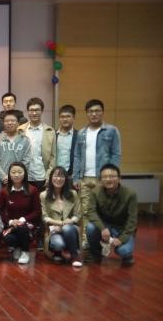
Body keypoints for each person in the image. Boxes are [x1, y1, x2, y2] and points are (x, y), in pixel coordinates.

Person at [73, 99, 121, 245]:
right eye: (91, 111)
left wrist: (112, 177)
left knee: (104, 211)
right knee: (85, 211)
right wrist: (76, 177)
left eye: (97, 111)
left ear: (102, 112)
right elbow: (77, 156)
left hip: (103, 179)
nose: (94, 114)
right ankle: (86, 240)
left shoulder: (111, 131)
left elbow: (116, 154)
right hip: (85, 178)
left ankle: (104, 241)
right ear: (87, 113)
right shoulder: (82, 133)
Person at [85, 164, 136, 267]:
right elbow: (91, 212)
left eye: (112, 176)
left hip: (121, 229)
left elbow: (132, 220)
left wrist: (121, 239)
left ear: (119, 178)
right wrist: (102, 228)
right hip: (104, 227)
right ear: (100, 180)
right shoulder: (95, 192)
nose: (108, 179)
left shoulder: (130, 194)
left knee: (124, 251)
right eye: (105, 177)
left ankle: (127, 255)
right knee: (90, 227)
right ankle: (96, 254)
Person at [0, 162, 41, 265]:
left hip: (28, 224)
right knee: (8, 238)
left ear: (25, 173)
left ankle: (25, 252)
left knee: (22, 227)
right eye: (13, 172)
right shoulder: (4, 191)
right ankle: (18, 247)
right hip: (12, 225)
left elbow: (37, 211)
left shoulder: (33, 190)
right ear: (9, 174)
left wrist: (23, 219)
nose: (16, 175)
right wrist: (10, 221)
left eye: (19, 172)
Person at [40, 166, 83, 268]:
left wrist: (68, 223)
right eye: (56, 176)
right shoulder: (43, 195)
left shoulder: (73, 194)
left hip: (70, 228)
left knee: (67, 228)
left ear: (66, 179)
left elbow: (77, 214)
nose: (58, 179)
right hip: (54, 229)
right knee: (58, 244)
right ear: (51, 178)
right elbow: (44, 217)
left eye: (62, 176)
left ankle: (74, 255)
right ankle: (57, 253)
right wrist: (61, 224)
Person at [0, 111, 32, 197]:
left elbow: (27, 160)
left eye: (12, 120)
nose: (9, 123)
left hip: (18, 180)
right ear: (3, 123)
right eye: (7, 121)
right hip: (0, 181)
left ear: (18, 123)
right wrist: (3, 177)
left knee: (17, 203)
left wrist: (16, 176)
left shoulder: (25, 140)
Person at [18, 97, 56, 191]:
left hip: (41, 176)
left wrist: (49, 176)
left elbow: (53, 156)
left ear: (42, 111)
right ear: (28, 111)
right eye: (31, 110)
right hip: (23, 176)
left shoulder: (50, 131)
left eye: (37, 110)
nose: (34, 113)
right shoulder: (20, 130)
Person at [55, 104, 79, 176]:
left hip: (71, 175)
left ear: (73, 118)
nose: (65, 119)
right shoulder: (53, 135)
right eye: (62, 117)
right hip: (55, 175)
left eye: (68, 116)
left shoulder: (79, 135)